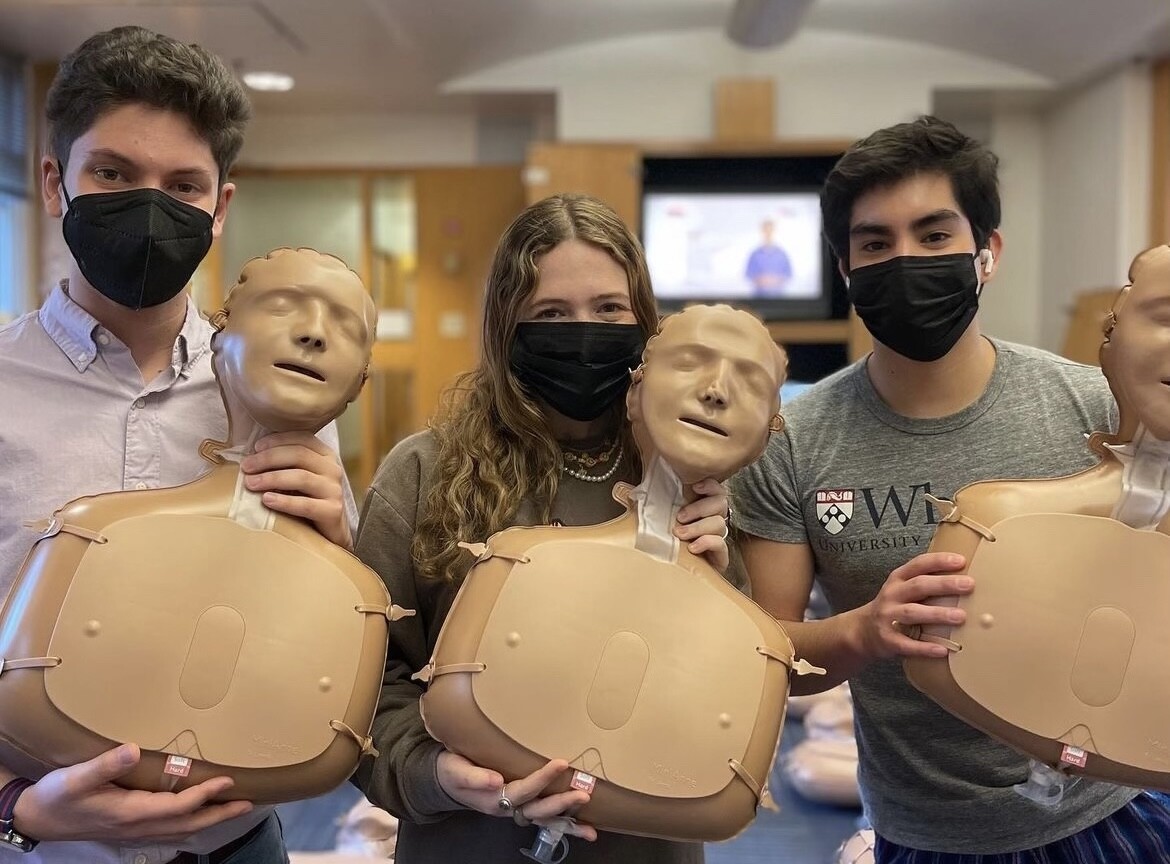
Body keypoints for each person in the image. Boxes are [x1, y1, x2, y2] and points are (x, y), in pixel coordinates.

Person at [732, 116, 1170, 862]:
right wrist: (863, 630)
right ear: (846, 269)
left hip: (1111, 809)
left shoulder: (1093, 404)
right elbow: (770, 659)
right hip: (924, 834)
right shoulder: (792, 445)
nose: (906, 259)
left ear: (986, 253)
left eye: (935, 236)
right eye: (876, 243)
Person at [0, 26, 356, 864]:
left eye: (183, 184)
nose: (149, 205)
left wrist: (338, 550)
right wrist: (18, 807)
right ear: (55, 183)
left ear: (219, 205)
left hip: (237, 842)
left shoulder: (285, 399)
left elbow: (309, 643)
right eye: (114, 174)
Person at [351, 194, 736, 864]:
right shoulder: (423, 471)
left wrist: (722, 581)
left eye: (609, 310)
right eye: (551, 314)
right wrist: (435, 773)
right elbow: (359, 678)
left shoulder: (691, 475)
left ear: (645, 322)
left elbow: (739, 696)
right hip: (469, 843)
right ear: (507, 327)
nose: (583, 331)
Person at [745, 218, 792, 296]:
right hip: (759, 298)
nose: (768, 233)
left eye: (770, 230)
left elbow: (788, 274)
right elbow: (748, 274)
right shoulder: (755, 254)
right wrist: (761, 280)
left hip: (779, 298)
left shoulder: (782, 254)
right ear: (762, 231)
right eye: (766, 230)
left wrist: (775, 280)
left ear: (774, 231)